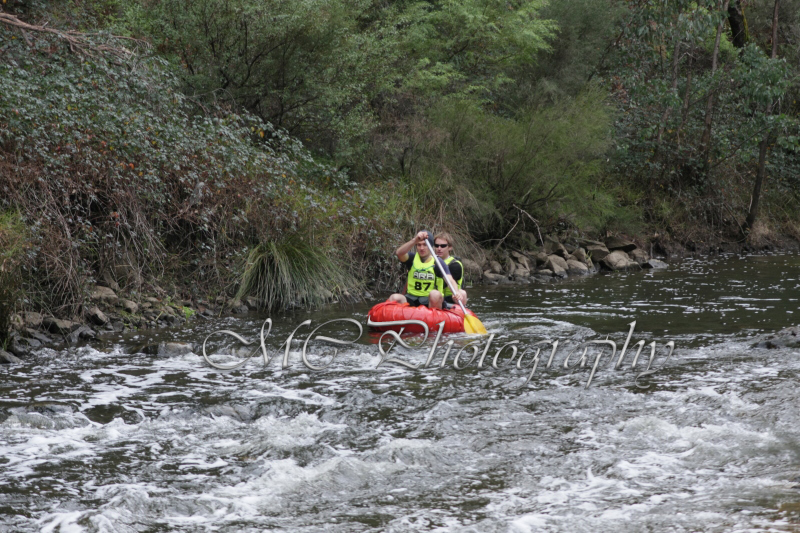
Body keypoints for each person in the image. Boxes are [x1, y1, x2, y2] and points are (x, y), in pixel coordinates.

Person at [388, 230, 463, 309]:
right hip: (411, 298)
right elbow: (399, 253)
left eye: (425, 245)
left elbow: (450, 280)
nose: (422, 248)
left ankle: (434, 318)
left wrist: (456, 292)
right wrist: (415, 240)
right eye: (419, 245)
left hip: (429, 300)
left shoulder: (438, 262)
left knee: (435, 294)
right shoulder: (411, 258)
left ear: (430, 246)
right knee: (394, 297)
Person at [433, 232, 468, 307]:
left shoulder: (455, 265)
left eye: (443, 246)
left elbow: (447, 283)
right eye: (436, 246)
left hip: (451, 297)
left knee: (462, 293)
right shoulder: (429, 262)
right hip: (434, 296)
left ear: (450, 247)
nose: (439, 249)